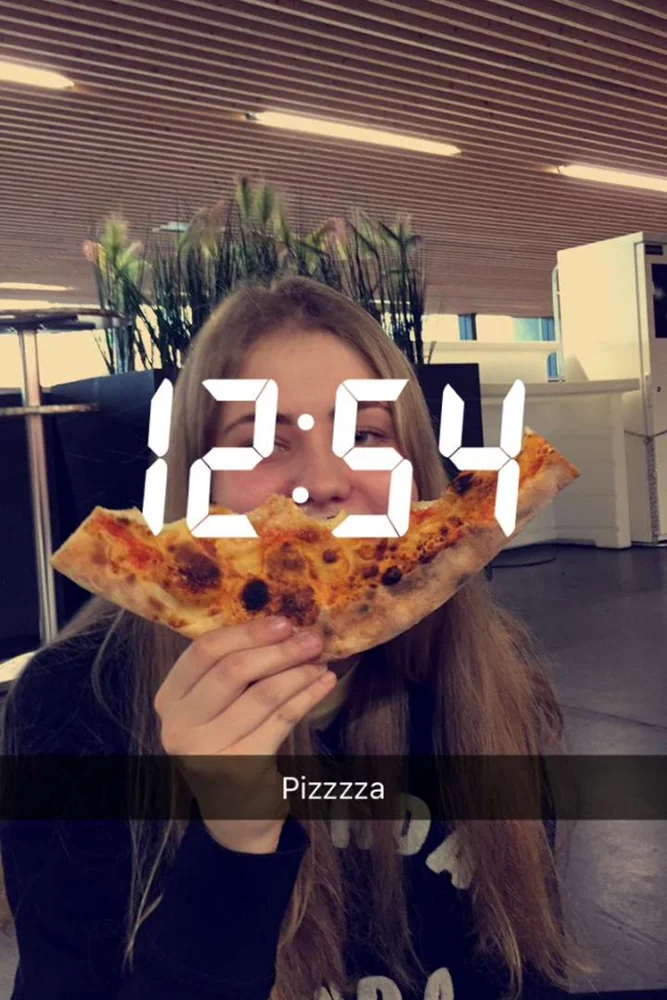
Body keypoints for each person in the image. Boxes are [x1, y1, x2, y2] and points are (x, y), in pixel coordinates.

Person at [0, 276, 598, 1000]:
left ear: (415, 470)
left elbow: (528, 969)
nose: (321, 481)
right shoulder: (71, 707)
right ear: (199, 486)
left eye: (366, 434)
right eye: (260, 441)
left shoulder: (494, 682)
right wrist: (234, 842)